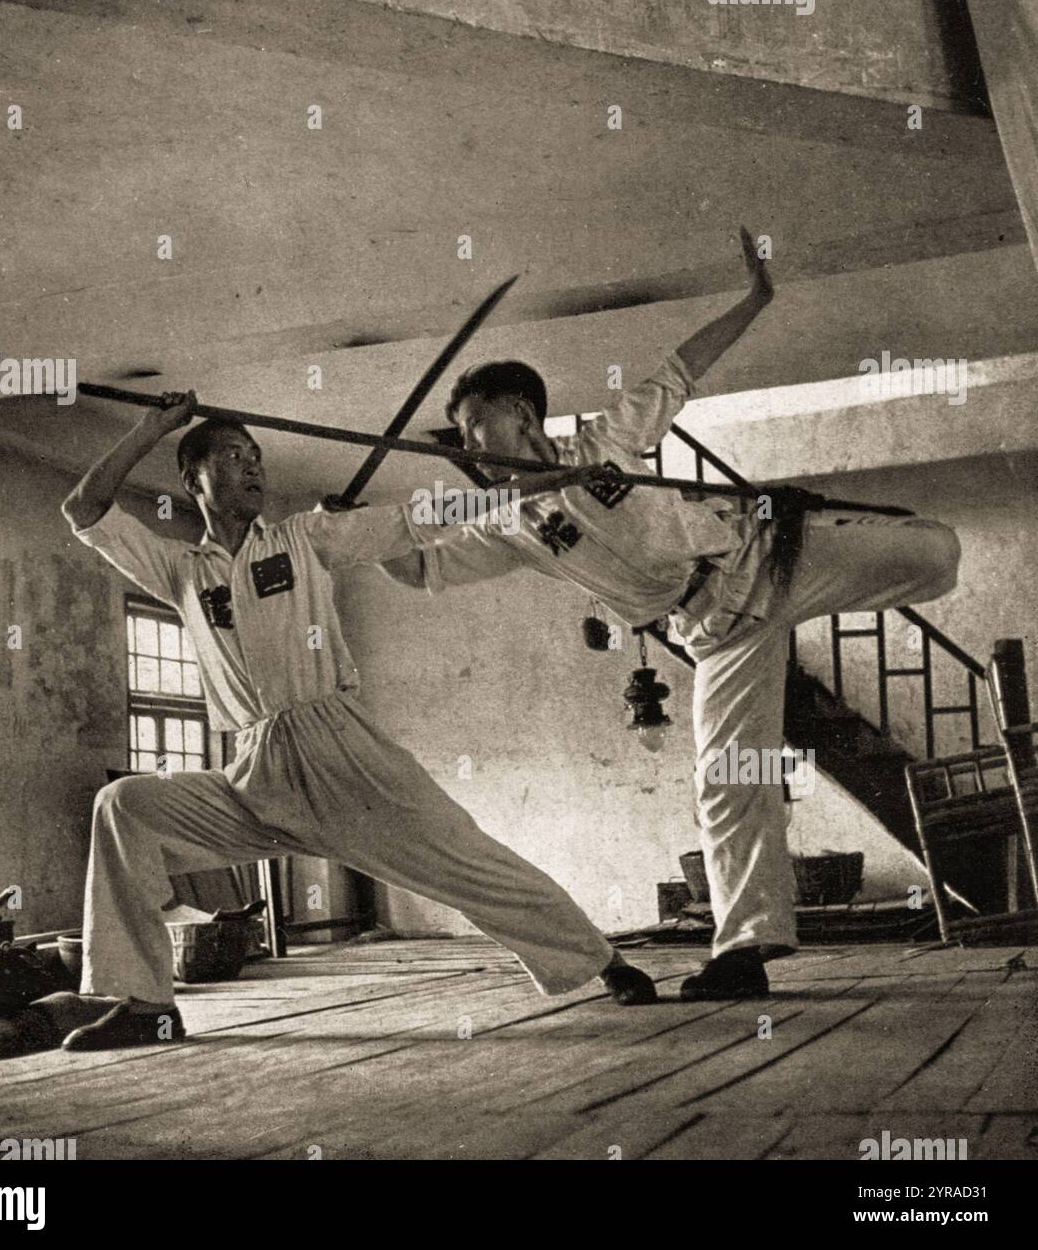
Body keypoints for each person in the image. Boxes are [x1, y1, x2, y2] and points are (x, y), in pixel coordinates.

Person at [381, 228, 961, 1001]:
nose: (470, 445)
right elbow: (422, 569)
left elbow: (685, 367)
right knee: (727, 778)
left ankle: (882, 545)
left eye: (475, 426)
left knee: (937, 555)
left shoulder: (611, 439)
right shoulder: (510, 528)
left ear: (521, 412)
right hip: (714, 634)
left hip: (765, 561)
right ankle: (745, 951)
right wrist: (358, 533)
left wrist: (756, 298)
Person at [58, 394, 656, 1051]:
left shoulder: (303, 537)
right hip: (256, 773)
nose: (252, 466)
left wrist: (554, 481)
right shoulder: (180, 570)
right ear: (193, 478)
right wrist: (152, 427)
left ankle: (604, 961)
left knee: (467, 860)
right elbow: (84, 508)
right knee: (125, 806)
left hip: (344, 756)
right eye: (232, 455)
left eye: (256, 456)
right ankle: (147, 1005)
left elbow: (422, 518)